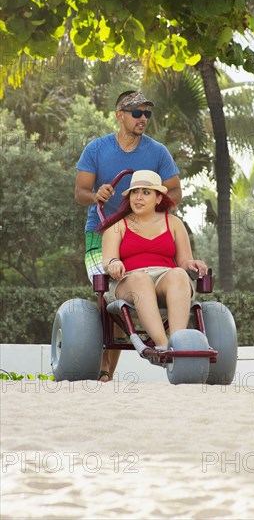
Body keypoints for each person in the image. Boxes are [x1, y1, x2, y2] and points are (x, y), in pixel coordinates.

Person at [75, 90, 182, 381]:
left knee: (143, 287)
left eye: (147, 113)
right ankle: (105, 369)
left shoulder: (158, 152)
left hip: (144, 234)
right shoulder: (96, 149)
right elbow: (80, 193)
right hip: (101, 235)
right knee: (111, 294)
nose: (143, 118)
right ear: (120, 114)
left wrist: (149, 206)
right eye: (137, 113)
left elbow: (175, 192)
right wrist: (96, 193)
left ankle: (177, 348)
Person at [101, 170, 208, 350]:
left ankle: (178, 344)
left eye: (146, 192)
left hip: (164, 279)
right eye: (134, 192)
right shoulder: (117, 226)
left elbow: (184, 261)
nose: (138, 197)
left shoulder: (173, 223)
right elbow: (107, 260)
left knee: (180, 274)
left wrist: (192, 264)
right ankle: (163, 346)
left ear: (158, 198)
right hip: (128, 281)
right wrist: (113, 263)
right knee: (141, 279)